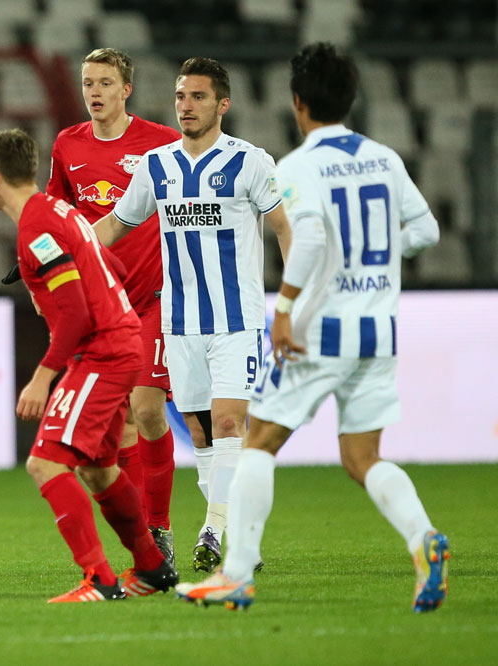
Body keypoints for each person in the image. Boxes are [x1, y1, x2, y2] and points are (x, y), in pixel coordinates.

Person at [175, 43, 447, 612]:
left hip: (322, 330)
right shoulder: (384, 158)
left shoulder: (299, 166)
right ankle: (423, 537)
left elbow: (312, 240)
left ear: (298, 102)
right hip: (378, 331)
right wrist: (375, 255)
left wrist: (284, 309)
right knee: (362, 457)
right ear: (351, 98)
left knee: (256, 443)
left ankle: (236, 574)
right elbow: (426, 232)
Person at [94, 57, 292, 573]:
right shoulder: (156, 166)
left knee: (228, 422)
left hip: (237, 319)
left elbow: (284, 228)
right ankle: (237, 533)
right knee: (202, 433)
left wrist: (293, 301)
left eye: (198, 97)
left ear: (223, 104)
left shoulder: (251, 162)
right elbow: (115, 224)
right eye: (181, 96)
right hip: (179, 322)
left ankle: (212, 529)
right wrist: (57, 247)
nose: (186, 105)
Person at [0, 128, 179, 602]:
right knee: (98, 469)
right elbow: (116, 267)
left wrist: (41, 378)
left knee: (45, 463)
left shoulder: (35, 228)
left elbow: (75, 316)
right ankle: (152, 567)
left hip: (102, 352)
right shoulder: (61, 211)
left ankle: (100, 578)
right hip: (123, 340)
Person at [46, 48, 183, 566]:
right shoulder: (68, 144)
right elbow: (59, 214)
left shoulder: (162, 142)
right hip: (100, 302)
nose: (94, 92)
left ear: (126, 90)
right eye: (88, 83)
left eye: (105, 83)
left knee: (147, 409)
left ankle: (159, 526)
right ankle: (143, 540)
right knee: (120, 423)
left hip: (153, 296)